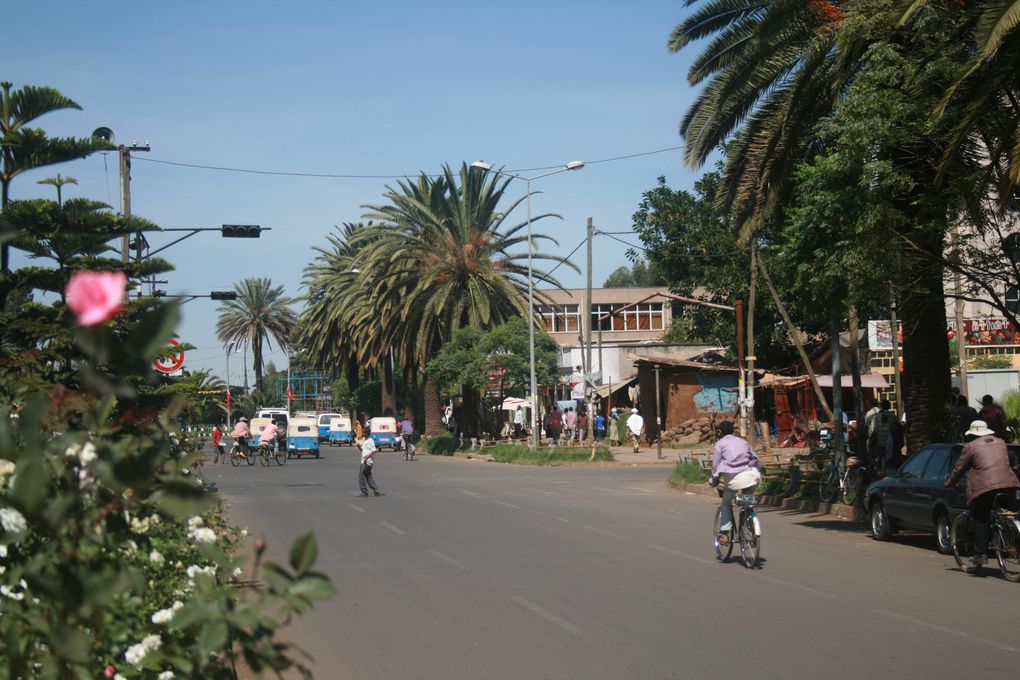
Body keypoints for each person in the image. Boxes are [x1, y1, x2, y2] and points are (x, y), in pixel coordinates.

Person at [945, 420, 1020, 570]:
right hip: (1009, 485)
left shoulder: (971, 447)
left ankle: (980, 554)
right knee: (1009, 514)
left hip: (985, 488)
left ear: (972, 434)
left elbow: (959, 468)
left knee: (981, 519)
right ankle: (1008, 535)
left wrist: (950, 482)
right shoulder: (1001, 443)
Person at [709, 420, 762, 546]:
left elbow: (716, 467)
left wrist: (714, 480)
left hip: (733, 480)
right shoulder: (743, 442)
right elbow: (755, 458)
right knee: (748, 502)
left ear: (721, 432)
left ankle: (725, 534)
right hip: (750, 476)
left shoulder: (719, 445)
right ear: (733, 430)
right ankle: (750, 525)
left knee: (726, 503)